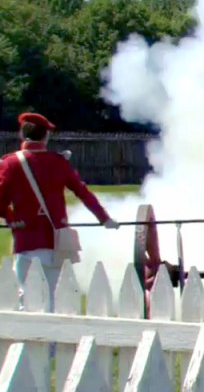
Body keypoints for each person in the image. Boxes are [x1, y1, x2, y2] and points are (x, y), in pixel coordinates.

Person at [0, 113, 119, 311]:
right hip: (56, 242)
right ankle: (52, 343)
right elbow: (83, 193)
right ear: (46, 136)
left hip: (26, 242)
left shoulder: (10, 163)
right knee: (54, 302)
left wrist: (12, 218)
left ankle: (27, 342)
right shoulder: (58, 162)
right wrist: (104, 219)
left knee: (26, 300)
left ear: (22, 134)